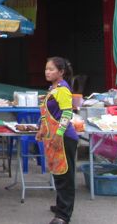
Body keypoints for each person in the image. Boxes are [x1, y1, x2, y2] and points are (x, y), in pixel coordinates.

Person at [36, 56, 78, 224]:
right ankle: (61, 205)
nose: (47, 72)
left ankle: (63, 216)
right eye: (46, 69)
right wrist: (41, 130)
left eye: (51, 69)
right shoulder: (53, 88)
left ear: (61, 72)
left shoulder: (63, 89)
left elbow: (67, 113)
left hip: (64, 138)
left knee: (66, 176)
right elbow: (48, 115)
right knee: (58, 173)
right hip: (52, 137)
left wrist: (58, 134)